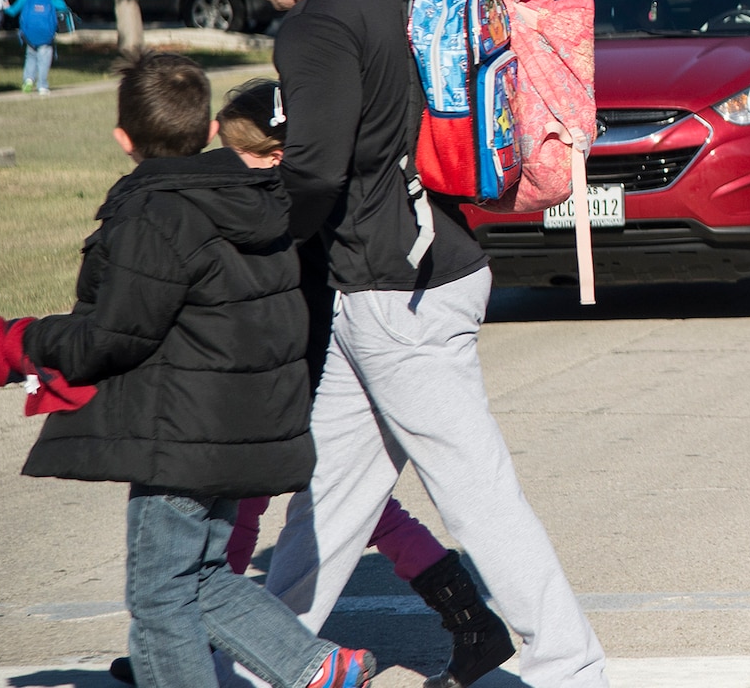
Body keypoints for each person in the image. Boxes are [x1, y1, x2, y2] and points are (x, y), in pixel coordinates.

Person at [211, 0, 608, 688]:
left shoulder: (315, 27)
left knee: (476, 494)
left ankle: (572, 669)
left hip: (397, 289)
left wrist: (253, 239)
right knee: (327, 497)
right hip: (431, 264)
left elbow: (315, 173)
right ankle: (256, 665)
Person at [0, 51, 376, 687]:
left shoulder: (155, 212)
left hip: (180, 435)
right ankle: (314, 665)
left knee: (160, 596)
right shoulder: (257, 199)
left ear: (123, 139)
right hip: (242, 422)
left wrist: (10, 343)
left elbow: (114, 334)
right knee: (202, 577)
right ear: (211, 130)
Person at [104, 78, 515, 688]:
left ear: (271, 152)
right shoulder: (288, 200)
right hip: (302, 375)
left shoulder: (282, 211)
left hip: (306, 380)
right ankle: (469, 620)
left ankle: (197, 641)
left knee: (258, 507)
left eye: (240, 151)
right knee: (356, 508)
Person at [5, 0, 71, 94]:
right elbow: (63, 8)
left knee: (30, 57)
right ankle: (42, 85)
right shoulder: (50, 0)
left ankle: (28, 79)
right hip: (46, 36)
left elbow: (12, 11)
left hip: (29, 35)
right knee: (44, 60)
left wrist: (5, 6)